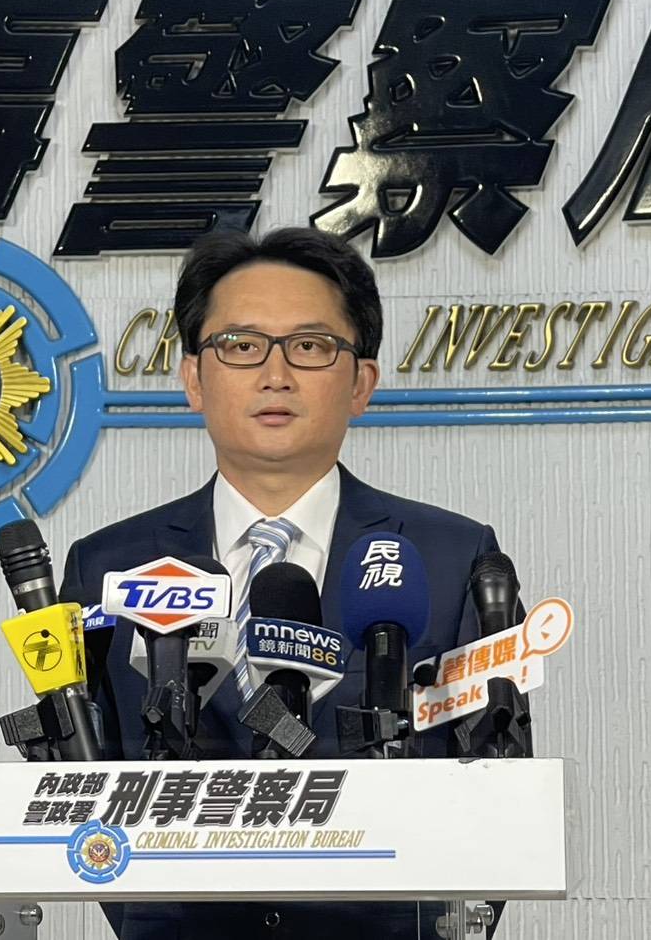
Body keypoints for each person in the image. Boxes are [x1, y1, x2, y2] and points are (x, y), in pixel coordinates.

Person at [60, 226, 520, 940]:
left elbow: (499, 781)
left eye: (309, 346)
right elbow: (89, 779)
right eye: (241, 345)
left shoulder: (451, 557)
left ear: (361, 383)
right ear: (193, 378)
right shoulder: (108, 565)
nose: (275, 374)